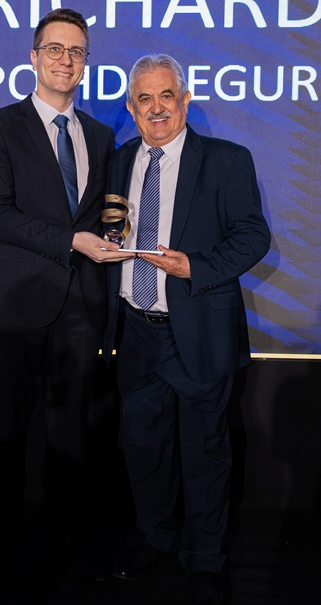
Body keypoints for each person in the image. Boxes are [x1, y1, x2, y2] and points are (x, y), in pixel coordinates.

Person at [103, 54, 271, 604]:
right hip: (135, 331)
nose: (156, 108)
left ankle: (204, 559)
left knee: (204, 452)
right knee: (144, 448)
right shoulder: (119, 160)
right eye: (144, 99)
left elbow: (253, 236)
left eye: (166, 96)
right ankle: (155, 538)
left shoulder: (226, 160)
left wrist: (195, 266)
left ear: (185, 100)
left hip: (197, 331)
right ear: (132, 108)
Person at [0, 8, 125, 595]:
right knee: (8, 435)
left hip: (80, 305)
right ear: (34, 58)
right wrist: (70, 240)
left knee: (70, 439)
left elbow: (102, 215)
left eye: (76, 51)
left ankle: (70, 546)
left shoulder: (102, 137)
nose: (66, 59)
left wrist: (111, 237)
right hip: (16, 303)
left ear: (86, 63)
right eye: (55, 49)